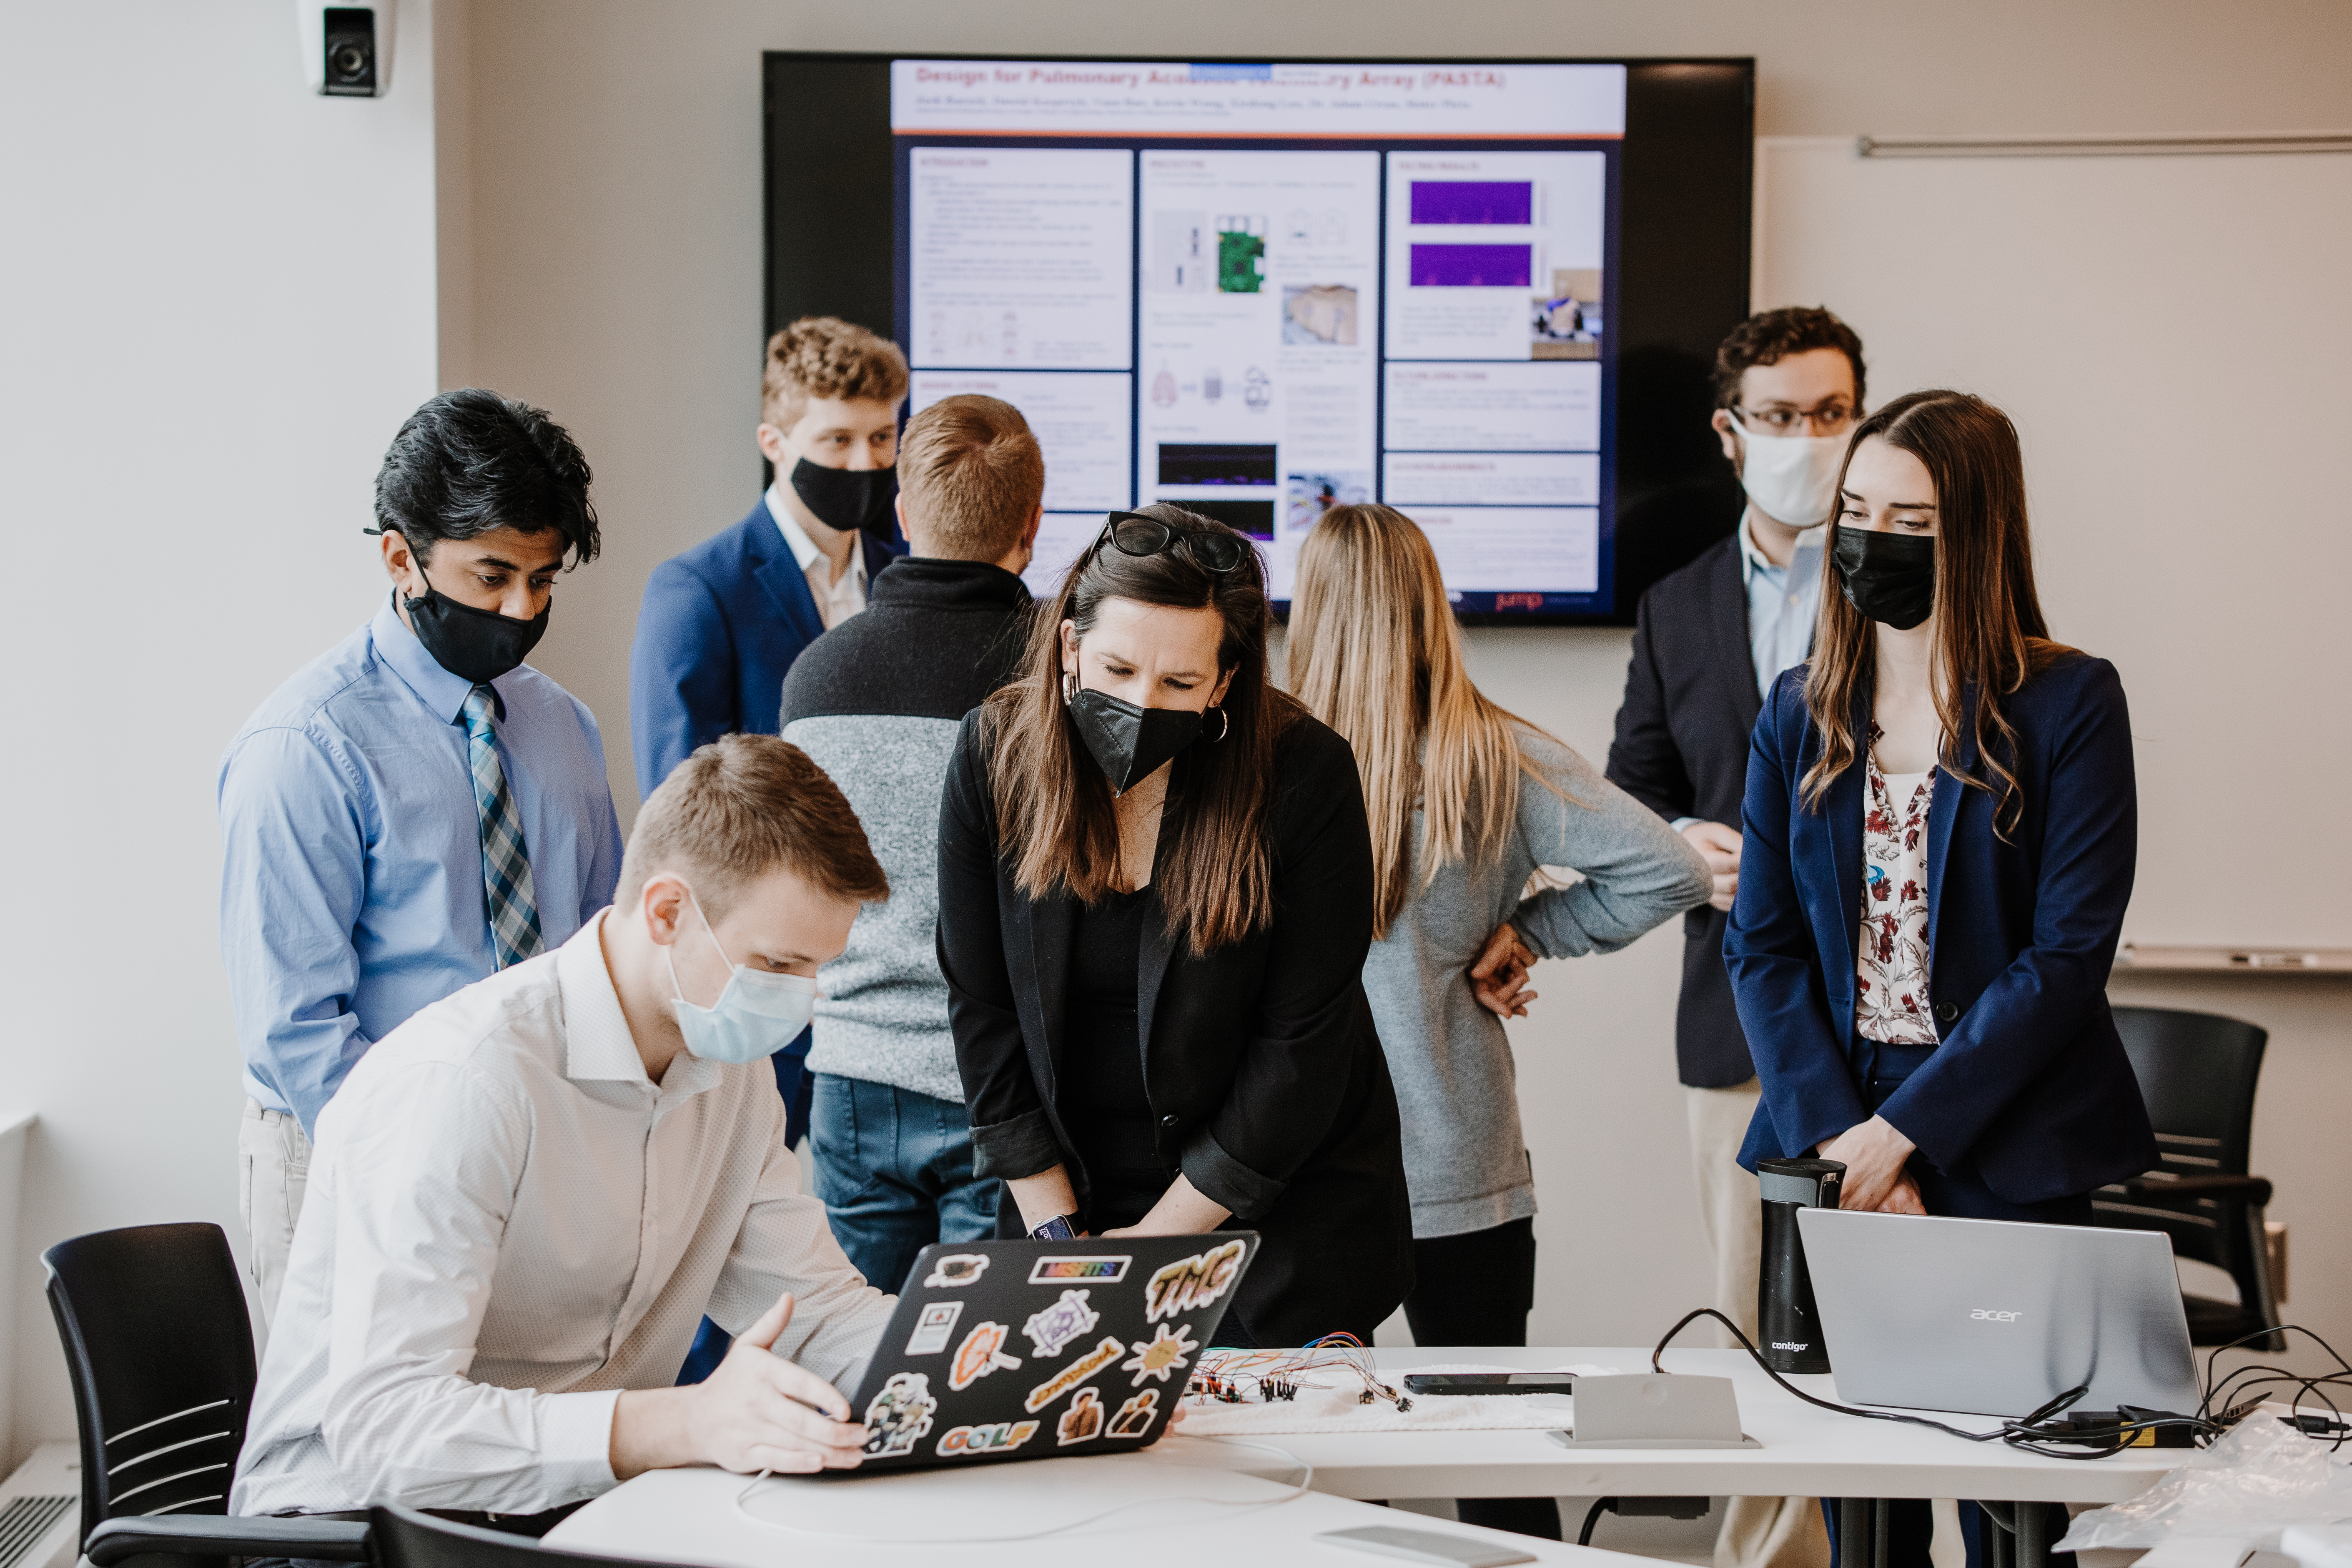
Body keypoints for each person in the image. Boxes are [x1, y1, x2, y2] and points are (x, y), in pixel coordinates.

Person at [231, 734, 897, 1524]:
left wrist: (988, 1352)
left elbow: (814, 1313)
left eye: (820, 969)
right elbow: (388, 1434)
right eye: (779, 966)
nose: (806, 997)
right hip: (358, 1526)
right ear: (668, 911)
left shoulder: (733, 1074)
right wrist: (683, 1420)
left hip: (575, 1507)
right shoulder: (467, 1081)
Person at [1727, 389, 2158, 1568]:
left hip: (2004, 1138)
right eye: (1855, 510)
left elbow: (2066, 958)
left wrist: (1904, 1137)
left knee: (2007, 1502)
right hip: (1831, 1137)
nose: (1870, 539)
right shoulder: (1797, 708)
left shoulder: (2070, 702)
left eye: (1907, 518)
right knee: (1862, 1495)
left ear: (1977, 536)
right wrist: (1844, 1142)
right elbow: (1760, 948)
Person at [1287, 504, 1708, 1539]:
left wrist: (1525, 929)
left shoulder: (1265, 766)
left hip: (1294, 1166)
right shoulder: (1500, 755)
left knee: (1324, 1468)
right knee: (1500, 1460)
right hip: (1457, 1159)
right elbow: (1673, 867)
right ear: (1433, 606)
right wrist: (1528, 929)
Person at [937, 505, 1414, 1345]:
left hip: (1273, 1218)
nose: (1139, 701)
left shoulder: (1305, 773)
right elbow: (984, 1010)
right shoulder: (992, 757)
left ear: (1225, 683)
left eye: (1179, 685)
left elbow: (1300, 1045)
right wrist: (1062, 1241)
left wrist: (1159, 1246)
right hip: (1070, 1207)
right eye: (1116, 668)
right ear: (1067, 647)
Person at [218, 389, 623, 1326]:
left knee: (505, 1446)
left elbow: (598, 950)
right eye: (490, 577)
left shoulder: (563, 726)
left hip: (531, 1146)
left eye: (544, 579)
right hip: (345, 1149)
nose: (520, 607)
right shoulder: (304, 744)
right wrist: (428, 1161)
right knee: (353, 1456)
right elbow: (295, 1026)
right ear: (401, 557)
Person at [1605, 307, 1863, 1568]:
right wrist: (1680, 843)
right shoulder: (1674, 603)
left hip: (1900, 1019)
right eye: (1779, 416)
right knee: (1759, 1317)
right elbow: (1626, 786)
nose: (1806, 440)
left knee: (1903, 1322)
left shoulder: (1907, 581)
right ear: (1728, 433)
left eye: (1829, 414)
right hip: (1734, 1015)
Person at [778, 394, 1043, 1293]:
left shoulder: (816, 677)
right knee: (979, 1377)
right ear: (1032, 524)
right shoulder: (1057, 680)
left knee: (847, 1366)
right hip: (1003, 1087)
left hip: (850, 1071)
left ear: (901, 513)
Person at [630, 316, 910, 798]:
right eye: (839, 440)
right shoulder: (698, 590)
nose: (865, 463)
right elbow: (679, 805)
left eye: (882, 438)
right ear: (773, 444)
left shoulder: (902, 577)